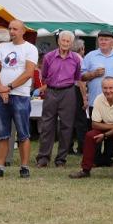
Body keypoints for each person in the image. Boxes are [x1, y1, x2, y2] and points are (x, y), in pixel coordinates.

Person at [0, 21, 38, 178]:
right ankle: (0, 167)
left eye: (15, 29)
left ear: (23, 31)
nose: (12, 31)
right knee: (3, 134)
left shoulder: (30, 48)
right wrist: (0, 88)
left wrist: (7, 87)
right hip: (2, 95)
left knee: (23, 133)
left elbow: (28, 73)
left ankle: (24, 167)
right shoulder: (2, 47)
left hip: (20, 95)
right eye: (10, 28)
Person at [69, 77, 113, 180]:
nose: (108, 91)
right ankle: (85, 170)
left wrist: (105, 135)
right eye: (105, 88)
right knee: (90, 135)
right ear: (101, 88)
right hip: (112, 125)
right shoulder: (98, 99)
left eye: (111, 88)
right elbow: (94, 124)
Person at [36, 31, 82, 168]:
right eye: (63, 40)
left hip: (68, 91)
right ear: (58, 41)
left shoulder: (76, 58)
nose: (65, 43)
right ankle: (43, 158)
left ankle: (61, 159)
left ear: (71, 43)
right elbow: (44, 75)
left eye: (68, 41)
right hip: (51, 91)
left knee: (67, 126)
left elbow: (77, 76)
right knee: (47, 125)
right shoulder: (49, 57)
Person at [70, 37, 89, 155]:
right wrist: (84, 98)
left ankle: (68, 146)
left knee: (69, 120)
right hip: (77, 90)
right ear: (81, 48)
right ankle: (82, 147)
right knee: (81, 120)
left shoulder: (69, 57)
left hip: (67, 90)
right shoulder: (79, 59)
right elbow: (81, 80)